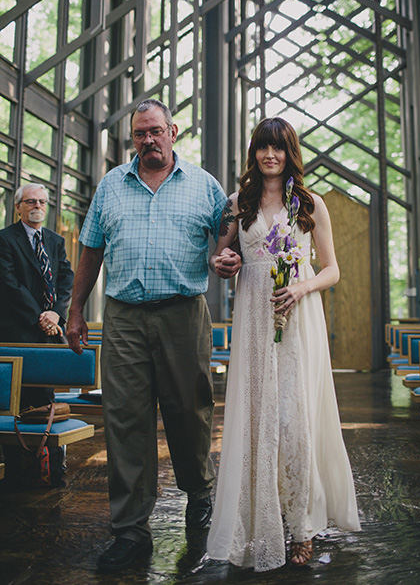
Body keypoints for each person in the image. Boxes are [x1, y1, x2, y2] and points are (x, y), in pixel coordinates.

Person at [66, 98, 241, 573]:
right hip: (122, 317)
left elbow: (229, 243)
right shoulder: (110, 187)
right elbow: (90, 250)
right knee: (124, 419)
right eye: (139, 134)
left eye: (155, 131)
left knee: (190, 409)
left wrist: (228, 259)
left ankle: (199, 498)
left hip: (184, 314)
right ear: (133, 140)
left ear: (173, 131)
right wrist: (76, 309)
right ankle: (129, 530)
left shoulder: (205, 187)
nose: (148, 141)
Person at [206, 117, 361, 571]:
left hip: (297, 318)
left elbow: (331, 269)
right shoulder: (238, 203)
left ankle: (301, 526)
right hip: (254, 318)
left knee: (295, 418)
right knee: (259, 416)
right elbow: (221, 255)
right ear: (254, 152)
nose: (269, 156)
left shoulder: (310, 204)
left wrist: (301, 288)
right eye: (262, 148)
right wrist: (226, 261)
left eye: (278, 148)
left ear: (289, 151)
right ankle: (260, 520)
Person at [0, 183, 74, 486]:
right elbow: (9, 283)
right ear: (18, 206)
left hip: (48, 334)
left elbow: (66, 278)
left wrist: (55, 312)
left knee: (45, 400)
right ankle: (17, 472)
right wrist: (39, 316)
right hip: (16, 331)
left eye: (43, 202)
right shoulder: (5, 239)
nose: (38, 207)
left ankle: (52, 471)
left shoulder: (55, 241)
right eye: (31, 201)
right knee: (14, 402)